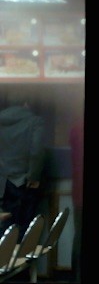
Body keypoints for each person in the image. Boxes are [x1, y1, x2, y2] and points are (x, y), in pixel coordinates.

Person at [0, 91, 47, 241]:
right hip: (24, 182)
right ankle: (21, 264)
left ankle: (4, 262)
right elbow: (36, 152)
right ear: (26, 103)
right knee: (24, 231)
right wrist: (33, 176)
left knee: (5, 228)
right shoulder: (34, 121)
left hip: (2, 183)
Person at [69, 113, 84, 281]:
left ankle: (76, 277)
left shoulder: (75, 129)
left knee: (79, 236)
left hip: (78, 190)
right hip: (80, 191)